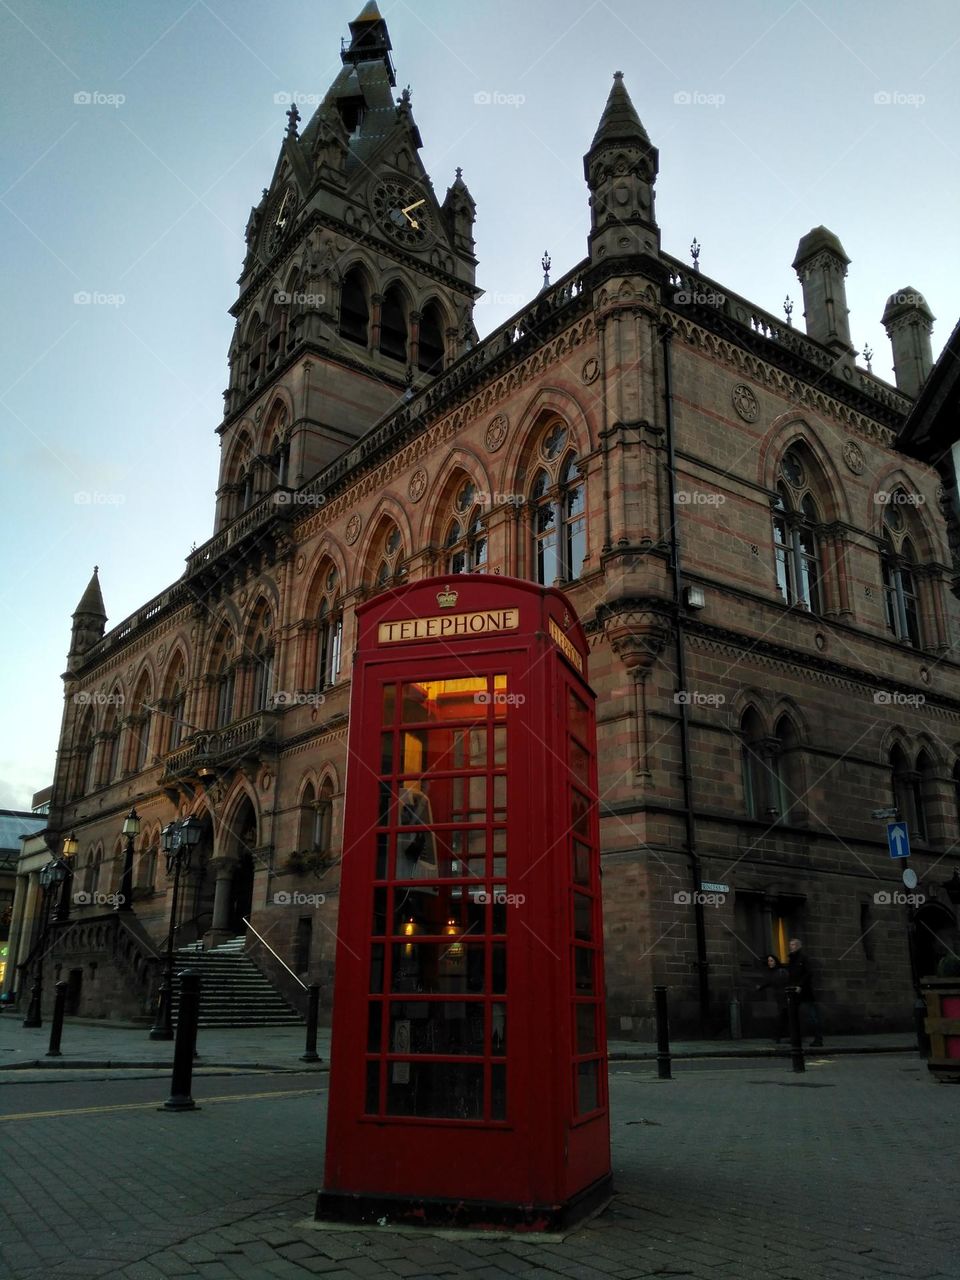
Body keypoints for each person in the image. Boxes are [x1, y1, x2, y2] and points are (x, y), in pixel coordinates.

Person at [787, 937, 823, 1047]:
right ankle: (796, 1037)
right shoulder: (791, 959)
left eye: (793, 944)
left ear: (798, 946)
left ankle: (818, 1039)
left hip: (805, 991)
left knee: (812, 1016)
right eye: (790, 944)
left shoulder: (803, 958)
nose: (791, 946)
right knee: (794, 1015)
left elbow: (808, 973)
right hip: (794, 991)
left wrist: (800, 985)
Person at [755, 953, 789, 1042]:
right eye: (768, 961)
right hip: (779, 997)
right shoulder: (773, 972)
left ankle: (778, 1036)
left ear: (775, 962)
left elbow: (774, 981)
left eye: (771, 961)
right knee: (783, 1016)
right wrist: (760, 987)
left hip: (784, 997)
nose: (769, 963)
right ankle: (780, 1036)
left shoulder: (781, 971)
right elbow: (768, 982)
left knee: (783, 1016)